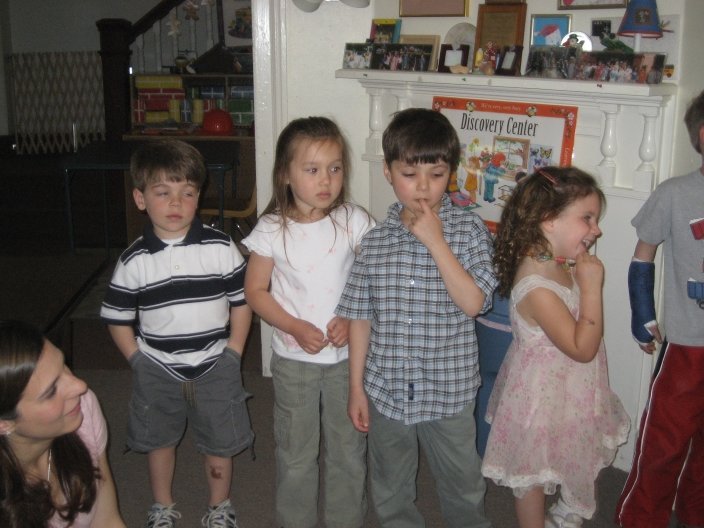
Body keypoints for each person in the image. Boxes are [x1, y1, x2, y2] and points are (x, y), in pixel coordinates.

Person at [336, 107, 497, 528]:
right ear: (388, 172)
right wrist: (355, 388)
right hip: (386, 389)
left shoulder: (470, 232)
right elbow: (360, 318)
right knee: (390, 486)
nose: (423, 186)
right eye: (410, 174)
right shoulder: (374, 243)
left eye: (437, 174)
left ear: (451, 174)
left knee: (462, 484)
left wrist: (436, 242)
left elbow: (475, 303)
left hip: (449, 391)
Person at [100, 139, 253, 528]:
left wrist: (234, 351)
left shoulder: (221, 247)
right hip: (157, 367)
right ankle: (162, 504)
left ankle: (219, 505)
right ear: (140, 199)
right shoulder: (134, 260)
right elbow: (117, 317)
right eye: (162, 192)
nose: (176, 203)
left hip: (215, 363)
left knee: (220, 441)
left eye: (187, 192)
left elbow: (242, 302)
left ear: (198, 197)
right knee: (159, 439)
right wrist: (137, 359)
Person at [242, 116, 374, 528]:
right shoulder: (271, 229)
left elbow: (373, 276)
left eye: (335, 168)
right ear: (286, 174)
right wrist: (294, 326)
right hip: (294, 361)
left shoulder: (353, 220)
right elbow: (255, 291)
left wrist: (349, 314)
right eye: (312, 169)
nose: (326, 180)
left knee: (347, 450)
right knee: (296, 453)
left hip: (347, 362)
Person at [481, 166, 630, 528]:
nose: (597, 229)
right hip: (540, 396)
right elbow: (582, 347)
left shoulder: (556, 261)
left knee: (570, 447)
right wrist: (591, 288)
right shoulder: (537, 287)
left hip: (570, 388)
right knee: (531, 472)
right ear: (548, 220)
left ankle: (564, 509)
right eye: (587, 218)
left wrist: (580, 277)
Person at [615, 90, 704, 528]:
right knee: (663, 446)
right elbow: (642, 256)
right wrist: (641, 312)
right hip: (687, 347)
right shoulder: (675, 193)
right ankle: (640, 519)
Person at [0, 320, 126, 528]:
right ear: (4, 424)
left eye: (64, 364)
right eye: (51, 392)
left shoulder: (81, 408)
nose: (80, 386)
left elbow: (106, 520)